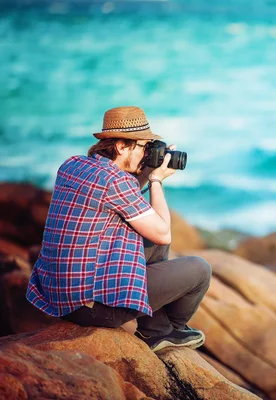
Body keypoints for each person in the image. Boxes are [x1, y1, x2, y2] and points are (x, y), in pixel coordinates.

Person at [26, 106, 212, 352]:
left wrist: (145, 171)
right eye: (145, 147)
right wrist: (156, 179)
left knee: (152, 239)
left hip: (57, 296)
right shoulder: (116, 181)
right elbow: (163, 231)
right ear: (122, 146)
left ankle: (156, 328)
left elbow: (123, 197)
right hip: (93, 309)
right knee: (200, 269)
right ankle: (165, 330)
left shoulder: (73, 165)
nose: (148, 153)